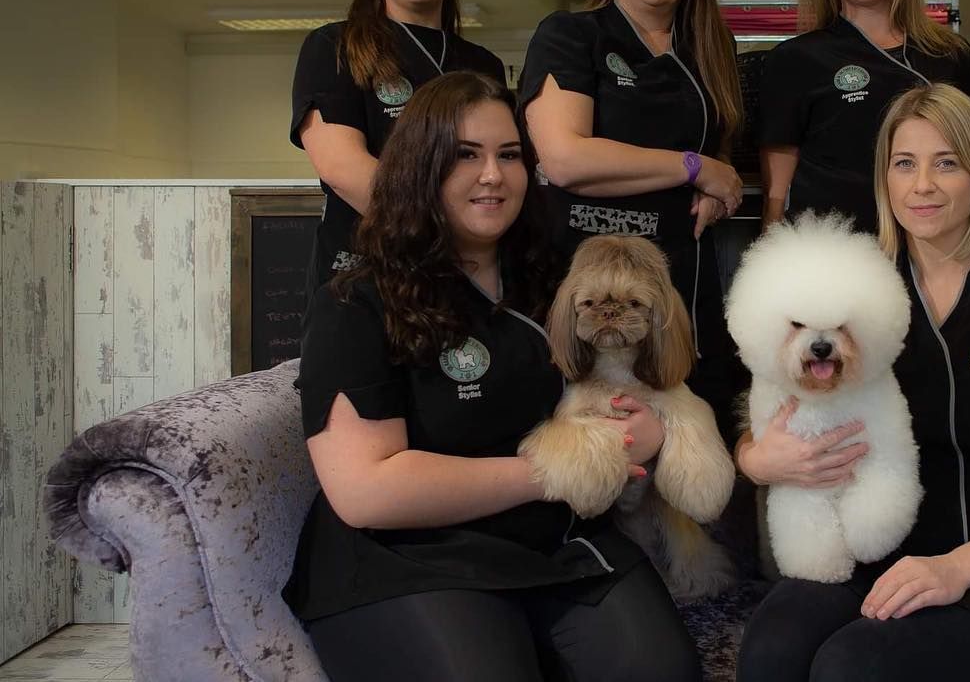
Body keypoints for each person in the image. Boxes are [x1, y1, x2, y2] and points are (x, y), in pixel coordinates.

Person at [283, 71, 700, 682]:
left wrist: (653, 430)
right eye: (465, 156)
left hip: (557, 542)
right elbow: (366, 490)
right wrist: (565, 467)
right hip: (413, 557)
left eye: (509, 155)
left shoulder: (554, 282)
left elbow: (633, 387)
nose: (492, 176)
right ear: (419, 168)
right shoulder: (356, 303)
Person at [735, 83, 970, 682]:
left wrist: (959, 567)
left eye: (946, 163)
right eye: (905, 164)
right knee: (773, 647)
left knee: (852, 668)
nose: (922, 185)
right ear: (885, 179)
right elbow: (764, 419)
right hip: (879, 557)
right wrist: (758, 461)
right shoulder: (851, 297)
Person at [518, 0, 746, 440]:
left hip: (681, 276)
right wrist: (694, 167)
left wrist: (720, 182)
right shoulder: (573, 34)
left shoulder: (709, 52)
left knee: (689, 437)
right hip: (589, 279)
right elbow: (565, 157)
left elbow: (722, 151)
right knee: (597, 439)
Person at [290, 0, 505, 297]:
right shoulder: (334, 46)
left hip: (463, 273)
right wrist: (447, 234)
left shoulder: (482, 64)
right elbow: (340, 167)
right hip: (365, 273)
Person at [757, 0, 970, 234]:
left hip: (935, 252)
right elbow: (777, 192)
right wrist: (771, 258)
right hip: (836, 259)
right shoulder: (795, 60)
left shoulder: (952, 54)